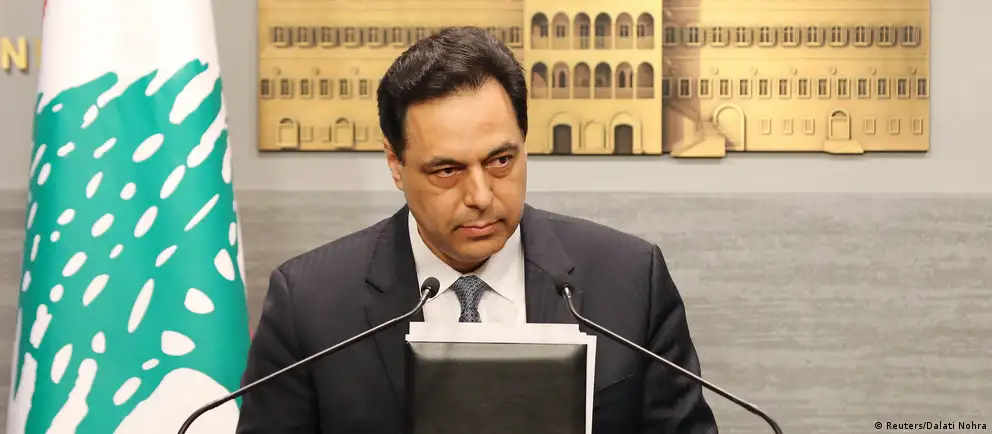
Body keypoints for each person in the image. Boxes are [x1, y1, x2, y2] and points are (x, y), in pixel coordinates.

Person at [236, 26, 718, 434]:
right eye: (447, 170)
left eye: (501, 160)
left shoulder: (630, 280)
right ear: (396, 165)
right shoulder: (309, 305)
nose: (481, 195)